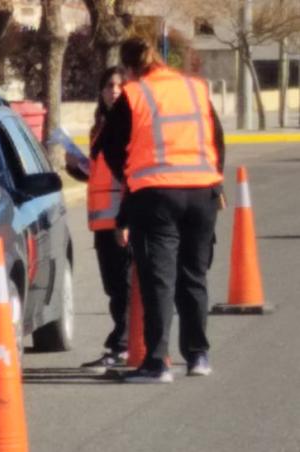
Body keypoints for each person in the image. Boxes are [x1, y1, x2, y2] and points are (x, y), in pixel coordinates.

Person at [102, 37, 225, 383]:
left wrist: (130, 178)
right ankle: (199, 355)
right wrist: (215, 182)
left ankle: (157, 362)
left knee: (159, 279)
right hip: (202, 191)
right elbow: (217, 138)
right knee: (194, 274)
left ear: (129, 68)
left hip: (156, 194)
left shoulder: (135, 94)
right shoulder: (195, 88)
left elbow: (110, 146)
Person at [65, 67, 132, 373]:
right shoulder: (101, 126)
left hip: (123, 219)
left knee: (125, 288)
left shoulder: (130, 124)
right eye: (108, 85)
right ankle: (124, 342)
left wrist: (127, 219)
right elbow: (100, 175)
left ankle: (121, 345)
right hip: (103, 222)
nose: (114, 90)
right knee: (115, 288)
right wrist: (77, 166)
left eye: (120, 85)